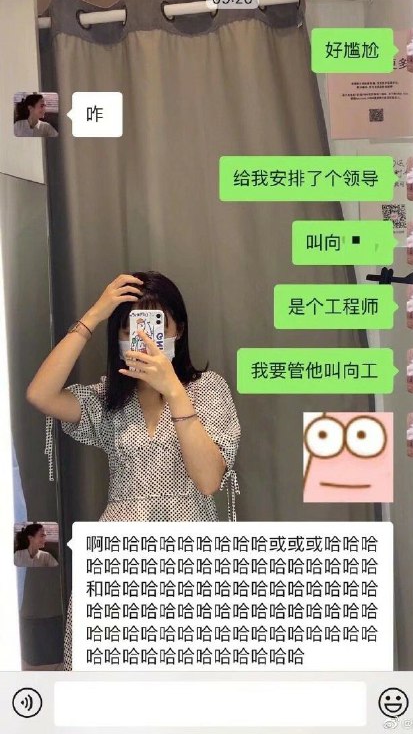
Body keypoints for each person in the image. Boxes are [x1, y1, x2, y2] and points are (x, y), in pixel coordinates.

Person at [26, 271, 241, 669]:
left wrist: (173, 389)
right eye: (129, 328)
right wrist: (95, 314)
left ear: (179, 330)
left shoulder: (207, 389)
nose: (142, 338)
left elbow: (208, 479)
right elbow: (40, 394)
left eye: (155, 325)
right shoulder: (108, 400)